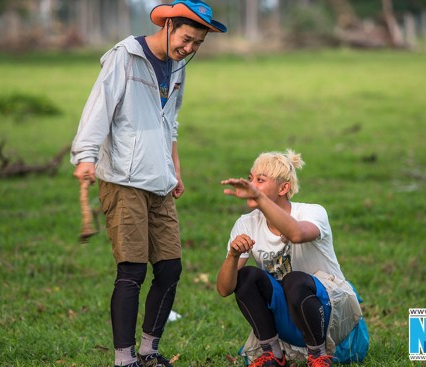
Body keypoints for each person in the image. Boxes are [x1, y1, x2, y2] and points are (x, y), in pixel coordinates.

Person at [70, 1, 226, 366]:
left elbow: (169, 120)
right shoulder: (125, 56)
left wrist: (176, 169)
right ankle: (124, 359)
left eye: (197, 44)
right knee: (132, 270)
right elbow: (98, 108)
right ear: (168, 25)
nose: (189, 49)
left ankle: (149, 352)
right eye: (187, 39)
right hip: (124, 178)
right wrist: (86, 156)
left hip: (160, 180)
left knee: (170, 269)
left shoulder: (177, 67)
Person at [216, 149, 368, 367]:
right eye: (250, 179)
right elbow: (224, 289)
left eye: (260, 180)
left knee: (294, 280)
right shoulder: (246, 223)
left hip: (331, 314)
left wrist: (258, 199)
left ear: (283, 188)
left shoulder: (313, 212)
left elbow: (296, 234)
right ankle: (273, 354)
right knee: (247, 275)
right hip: (289, 315)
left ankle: (318, 356)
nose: (251, 185)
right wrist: (233, 254)